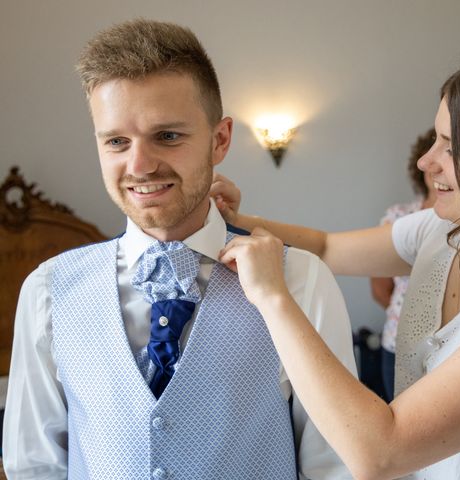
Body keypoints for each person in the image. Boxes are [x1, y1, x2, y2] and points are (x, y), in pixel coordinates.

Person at [212, 47, 460, 479]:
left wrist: (274, 298)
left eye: (453, 147)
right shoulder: (440, 232)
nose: (426, 162)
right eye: (435, 138)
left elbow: (381, 452)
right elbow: (326, 247)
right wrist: (235, 219)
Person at [2, 19, 357, 479]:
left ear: (220, 139)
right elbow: (35, 466)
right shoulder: (48, 290)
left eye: (167, 136)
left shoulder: (301, 280)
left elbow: (335, 467)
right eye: (116, 141)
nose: (140, 165)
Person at [370, 129, 436, 401]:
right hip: (398, 344)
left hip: (452, 351)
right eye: (430, 161)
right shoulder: (399, 217)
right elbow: (381, 289)